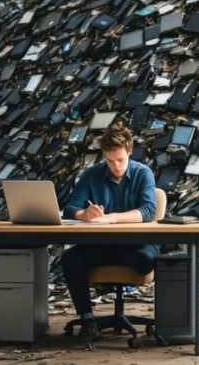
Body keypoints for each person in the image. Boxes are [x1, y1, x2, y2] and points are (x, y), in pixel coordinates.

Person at [61, 123, 159, 341]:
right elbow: (70, 209)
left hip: (135, 246)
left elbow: (148, 211)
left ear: (130, 152)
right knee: (70, 260)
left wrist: (112, 217)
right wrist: (83, 214)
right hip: (99, 246)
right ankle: (88, 320)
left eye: (120, 160)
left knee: (149, 260)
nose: (115, 166)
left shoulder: (143, 173)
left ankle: (165, 320)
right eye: (110, 161)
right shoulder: (92, 174)